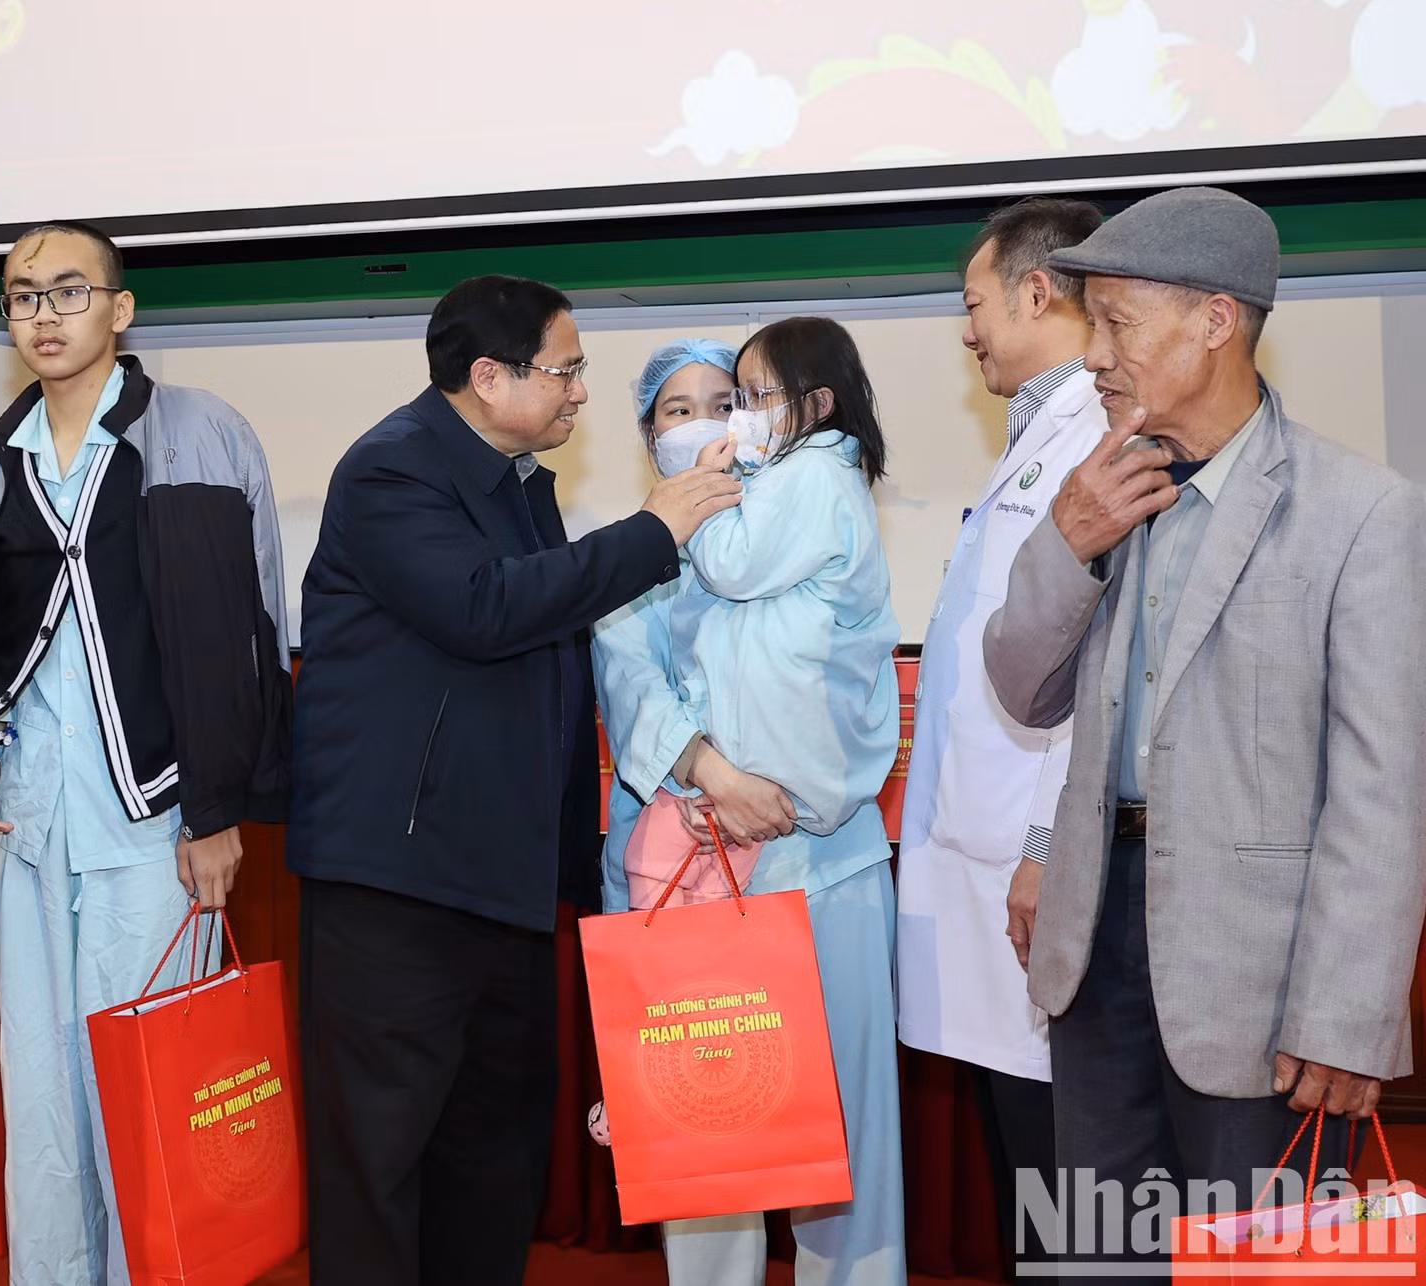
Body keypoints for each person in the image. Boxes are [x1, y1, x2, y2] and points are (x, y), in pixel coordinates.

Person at [983, 186, 1426, 1273]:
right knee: (1091, 1255)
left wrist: (1345, 1014)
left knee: (1259, 1265)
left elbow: (1382, 788)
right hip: (1094, 952)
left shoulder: (1361, 512)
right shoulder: (1104, 488)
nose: (1092, 354)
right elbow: (1019, 687)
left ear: (1213, 321)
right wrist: (1069, 543)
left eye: (1116, 322)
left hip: (1263, 983)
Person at [289, 276, 744, 1286]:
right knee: (378, 1159)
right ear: (487, 378)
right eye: (566, 368)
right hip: (396, 884)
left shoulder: (519, 485)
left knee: (491, 1157)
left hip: (504, 880)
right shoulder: (389, 470)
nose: (582, 391)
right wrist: (650, 529)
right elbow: (483, 609)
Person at [0, 221, 293, 1286]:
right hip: (32, 813)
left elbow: (251, 629)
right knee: (40, 1077)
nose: (42, 315)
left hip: (158, 812)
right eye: (19, 296)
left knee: (151, 1076)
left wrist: (217, 809)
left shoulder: (201, 432)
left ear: (120, 307)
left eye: (66, 291)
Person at [594, 324, 905, 1286]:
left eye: (722, 405)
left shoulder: (800, 508)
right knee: (708, 1137)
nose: (703, 427)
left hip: (829, 871)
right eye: (676, 413)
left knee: (845, 1140)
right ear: (650, 438)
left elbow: (846, 679)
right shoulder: (627, 556)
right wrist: (710, 776)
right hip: (694, 874)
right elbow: (633, 690)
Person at [892, 196, 1106, 1265]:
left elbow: (1096, 668)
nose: (964, 329)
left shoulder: (1101, 435)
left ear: (1034, 289)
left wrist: (1041, 845)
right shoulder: (1036, 434)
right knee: (1024, 1153)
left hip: (1031, 870)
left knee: (1063, 1169)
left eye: (972, 303)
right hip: (992, 864)